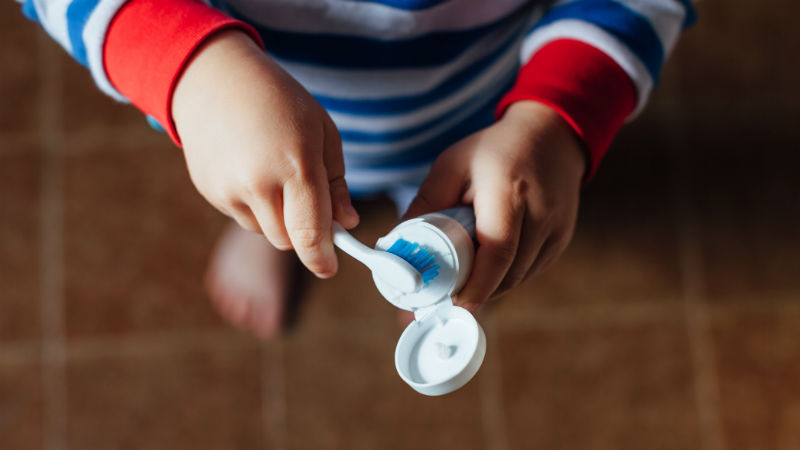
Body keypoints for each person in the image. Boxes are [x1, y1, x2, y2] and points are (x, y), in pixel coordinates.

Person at [21, 0, 694, 337]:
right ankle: (272, 232)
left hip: (481, 113)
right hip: (240, 106)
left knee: (462, 215)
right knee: (279, 195)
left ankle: (441, 268)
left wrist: (554, 117)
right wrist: (189, 67)